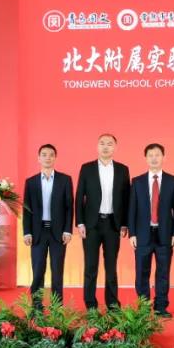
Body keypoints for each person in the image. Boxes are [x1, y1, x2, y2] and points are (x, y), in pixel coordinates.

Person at [75, 133, 130, 311]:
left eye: (109, 144)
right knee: (91, 266)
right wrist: (80, 222)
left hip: (113, 224)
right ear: (97, 146)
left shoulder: (123, 169)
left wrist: (125, 223)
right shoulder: (87, 168)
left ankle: (112, 304)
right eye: (102, 143)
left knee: (111, 267)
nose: (105, 147)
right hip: (92, 224)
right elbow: (79, 196)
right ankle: (90, 304)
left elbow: (126, 198)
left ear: (115, 147)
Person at [128, 143, 174, 318]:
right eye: (150, 155)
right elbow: (132, 209)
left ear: (163, 157)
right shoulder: (137, 181)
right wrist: (132, 233)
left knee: (163, 272)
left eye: (157, 155)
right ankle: (143, 307)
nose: (154, 158)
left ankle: (161, 307)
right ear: (145, 158)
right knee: (142, 272)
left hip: (165, 234)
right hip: (143, 234)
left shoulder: (173, 181)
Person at [22, 144, 73, 311]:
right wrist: (27, 232)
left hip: (58, 233)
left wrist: (67, 230)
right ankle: (37, 307)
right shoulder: (31, 182)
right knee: (38, 271)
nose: (48, 158)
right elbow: (26, 209)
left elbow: (69, 207)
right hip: (38, 233)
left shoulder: (65, 180)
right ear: (38, 158)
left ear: (55, 158)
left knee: (57, 272)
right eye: (44, 154)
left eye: (51, 155)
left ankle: (56, 308)